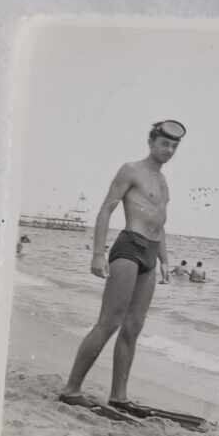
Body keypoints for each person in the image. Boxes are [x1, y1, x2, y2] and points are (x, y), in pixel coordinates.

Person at [59, 120, 187, 407]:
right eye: (164, 143)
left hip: (150, 255)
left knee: (133, 327)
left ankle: (119, 397)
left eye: (174, 146)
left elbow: (160, 223)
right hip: (129, 246)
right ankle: (71, 389)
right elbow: (106, 209)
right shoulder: (131, 170)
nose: (169, 150)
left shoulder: (163, 182)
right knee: (109, 322)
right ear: (151, 143)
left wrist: (165, 260)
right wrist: (97, 253)